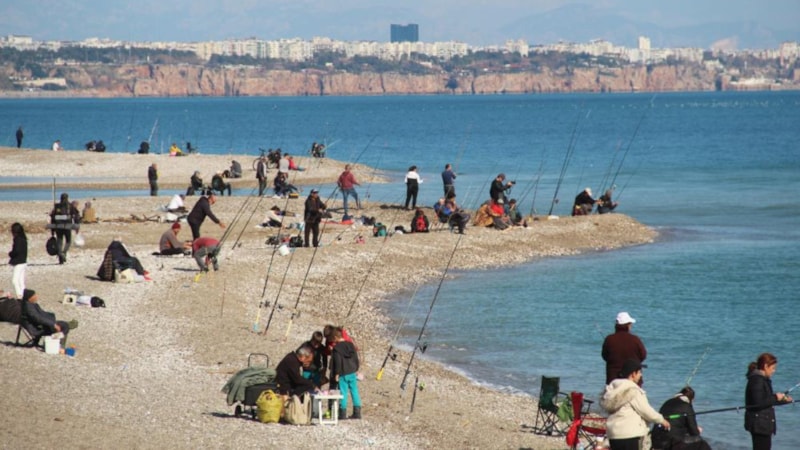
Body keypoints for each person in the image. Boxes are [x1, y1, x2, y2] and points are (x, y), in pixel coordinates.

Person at [600, 359, 671, 450]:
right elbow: (646, 411)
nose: (641, 375)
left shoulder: (613, 389)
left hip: (613, 434)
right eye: (639, 372)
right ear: (633, 374)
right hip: (630, 434)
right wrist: (662, 420)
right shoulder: (632, 390)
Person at [745, 352, 793, 450]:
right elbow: (758, 403)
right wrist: (776, 397)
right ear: (766, 366)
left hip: (763, 424)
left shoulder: (762, 379)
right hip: (759, 425)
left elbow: (766, 400)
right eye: (773, 368)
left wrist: (783, 400)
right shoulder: (757, 380)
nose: (774, 371)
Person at [602, 312, 647, 385]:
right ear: (628, 325)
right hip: (633, 379)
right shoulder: (635, 340)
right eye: (630, 324)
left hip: (613, 379)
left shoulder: (609, 339)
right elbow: (643, 355)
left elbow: (604, 356)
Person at [331, 328, 362, 419]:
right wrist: (356, 368)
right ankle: (357, 412)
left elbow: (337, 362)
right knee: (354, 391)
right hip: (352, 371)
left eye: (333, 339)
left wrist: (336, 373)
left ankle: (342, 413)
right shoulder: (350, 344)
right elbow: (356, 358)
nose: (333, 341)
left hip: (343, 373)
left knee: (343, 392)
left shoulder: (336, 348)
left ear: (336, 337)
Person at [49, 192, 81, 264]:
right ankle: (63, 252)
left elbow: (52, 218)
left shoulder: (57, 206)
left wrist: (52, 229)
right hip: (67, 227)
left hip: (58, 227)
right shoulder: (70, 206)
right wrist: (77, 226)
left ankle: (60, 254)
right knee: (68, 241)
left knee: (59, 241)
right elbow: (77, 216)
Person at [9, 223, 27, 298]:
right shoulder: (24, 239)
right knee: (21, 281)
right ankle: (25, 296)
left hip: (18, 262)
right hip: (24, 262)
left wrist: (10, 254)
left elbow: (16, 251)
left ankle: (19, 296)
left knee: (15, 281)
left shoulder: (17, 240)